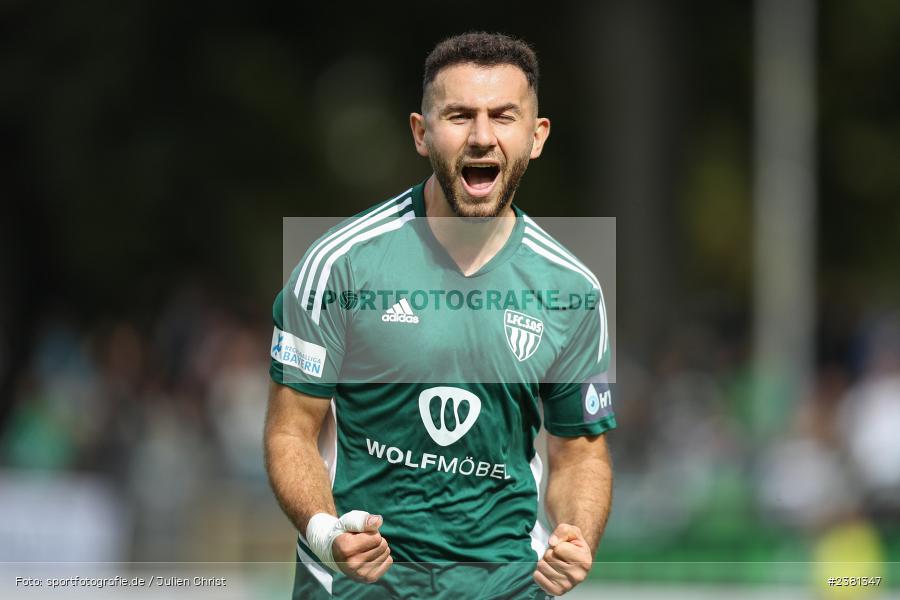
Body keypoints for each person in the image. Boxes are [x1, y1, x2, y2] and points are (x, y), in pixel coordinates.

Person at [265, 32, 615, 599]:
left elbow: (579, 453)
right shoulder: (339, 266)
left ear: (536, 136)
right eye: (459, 115)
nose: (481, 137)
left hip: (506, 583)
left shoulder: (574, 290)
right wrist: (327, 533)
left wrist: (577, 533)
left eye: (503, 116)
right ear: (421, 133)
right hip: (359, 585)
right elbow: (290, 431)